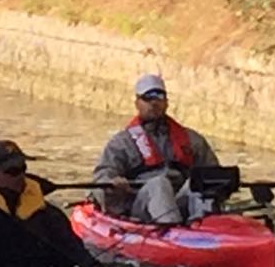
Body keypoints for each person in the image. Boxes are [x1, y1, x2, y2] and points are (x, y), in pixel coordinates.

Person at [91, 73, 220, 225]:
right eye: (147, 98)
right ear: (137, 103)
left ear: (166, 102)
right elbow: (102, 175)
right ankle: (172, 230)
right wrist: (112, 183)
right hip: (141, 207)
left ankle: (205, 225)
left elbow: (214, 174)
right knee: (159, 184)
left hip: (181, 203)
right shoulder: (121, 143)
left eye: (159, 96)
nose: (154, 103)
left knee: (200, 180)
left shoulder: (192, 140)